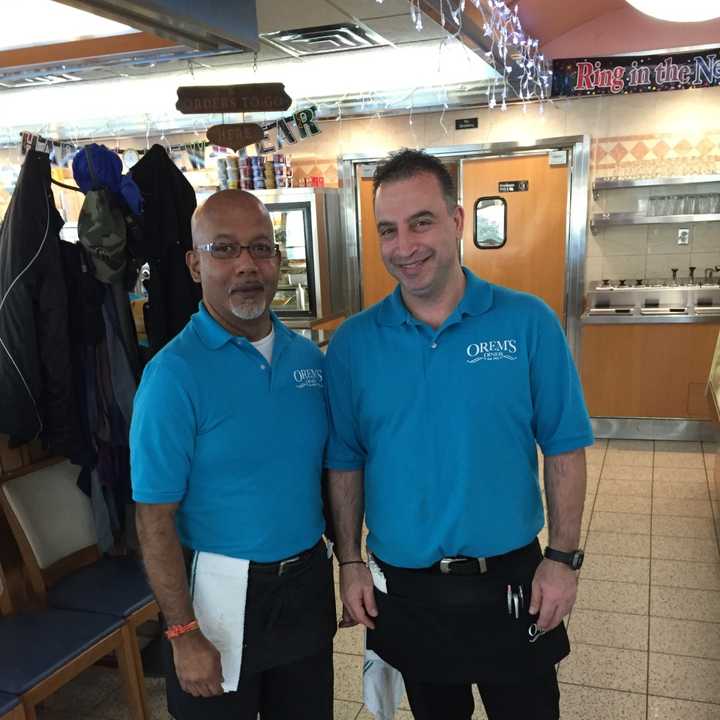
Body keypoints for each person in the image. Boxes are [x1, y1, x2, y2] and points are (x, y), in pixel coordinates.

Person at [325, 149, 593, 720]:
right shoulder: (354, 344)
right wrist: (349, 562)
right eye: (387, 231)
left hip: (512, 580)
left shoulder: (527, 322)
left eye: (421, 222)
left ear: (456, 220)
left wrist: (563, 559)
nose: (405, 246)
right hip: (409, 590)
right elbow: (345, 460)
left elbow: (565, 446)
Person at [130, 190, 335, 720]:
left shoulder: (307, 360)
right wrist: (181, 633)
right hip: (220, 596)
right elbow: (154, 517)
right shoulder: (173, 376)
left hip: (307, 586)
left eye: (261, 248)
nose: (246, 265)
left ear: (278, 261)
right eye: (223, 250)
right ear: (195, 265)